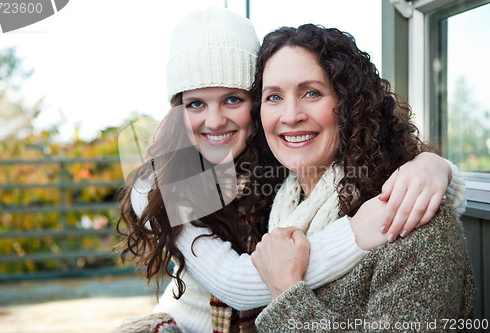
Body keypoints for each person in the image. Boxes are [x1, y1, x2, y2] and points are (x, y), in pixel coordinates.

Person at [113, 8, 466, 333]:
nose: (214, 119)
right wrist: (357, 231)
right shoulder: (162, 183)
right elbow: (239, 281)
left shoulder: (272, 168)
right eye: (195, 103)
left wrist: (435, 167)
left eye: (233, 99)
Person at [241, 24, 475, 332]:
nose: (290, 115)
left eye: (312, 92)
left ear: (351, 104)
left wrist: (285, 290)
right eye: (274, 97)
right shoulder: (270, 205)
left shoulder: (411, 218)